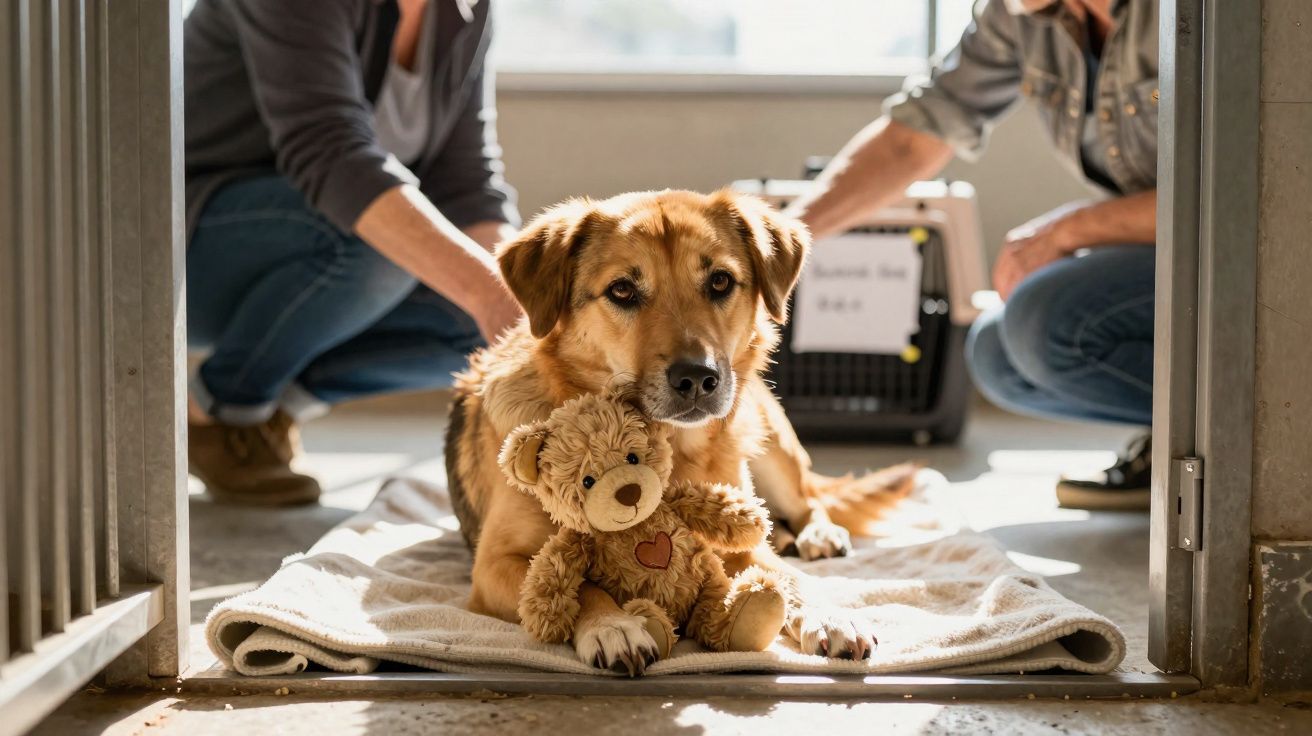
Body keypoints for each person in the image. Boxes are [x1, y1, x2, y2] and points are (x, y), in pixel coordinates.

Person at [786, 0, 1157, 510]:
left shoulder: (1189, 16)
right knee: (996, 352)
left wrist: (1071, 229)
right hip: (1164, 249)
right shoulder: (1017, 14)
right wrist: (781, 238)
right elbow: (911, 141)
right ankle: (1183, 445)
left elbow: (1238, 191)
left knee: (1044, 322)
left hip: (1250, 253)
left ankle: (1247, 443)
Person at [183, 0, 522, 505]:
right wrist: (486, 291)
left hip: (314, 242)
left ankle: (273, 407)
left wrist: (524, 302)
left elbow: (467, 182)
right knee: (384, 239)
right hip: (193, 244)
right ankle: (215, 412)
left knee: (481, 329)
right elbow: (332, 154)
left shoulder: (465, 11)